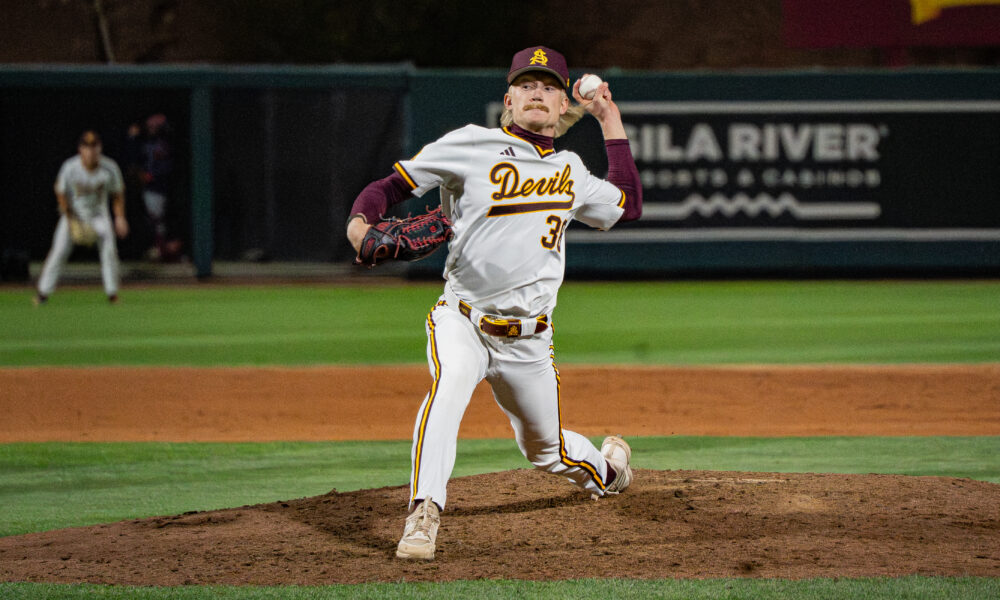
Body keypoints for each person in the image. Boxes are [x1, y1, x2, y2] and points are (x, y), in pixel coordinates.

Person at [346, 46, 643, 560]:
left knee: (545, 450)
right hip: (462, 318)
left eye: (549, 86)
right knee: (449, 387)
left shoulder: (571, 170)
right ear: (508, 98)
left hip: (530, 338)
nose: (536, 92)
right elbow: (388, 187)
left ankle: (610, 471)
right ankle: (423, 514)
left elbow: (628, 204)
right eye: (526, 84)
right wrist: (357, 228)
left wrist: (609, 118)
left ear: (560, 107)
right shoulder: (470, 145)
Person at [35, 130, 129, 304]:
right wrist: (70, 218)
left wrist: (120, 217)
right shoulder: (70, 167)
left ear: (100, 148)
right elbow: (60, 192)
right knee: (59, 251)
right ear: (80, 149)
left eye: (94, 146)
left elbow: (117, 194)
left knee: (109, 251)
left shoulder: (110, 167)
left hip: (99, 216)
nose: (91, 150)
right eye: (87, 146)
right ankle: (42, 294)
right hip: (74, 215)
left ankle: (112, 294)